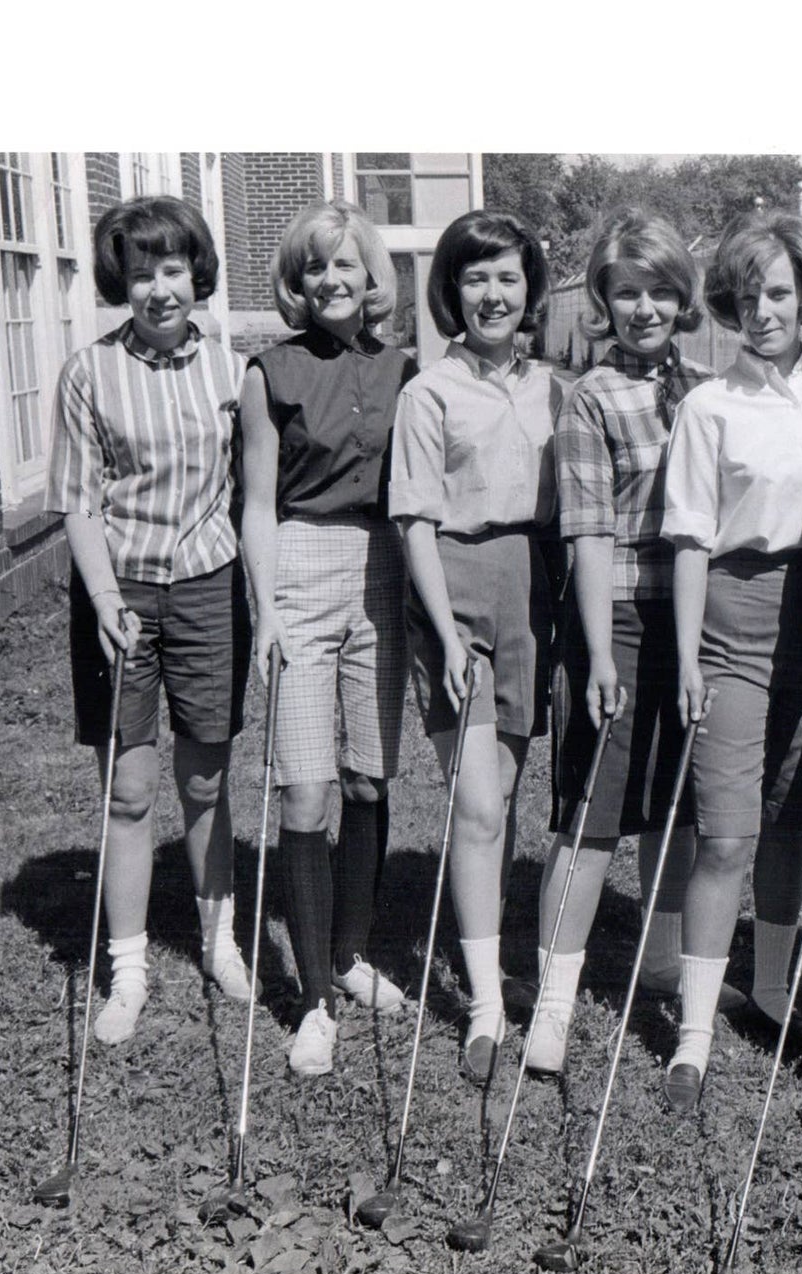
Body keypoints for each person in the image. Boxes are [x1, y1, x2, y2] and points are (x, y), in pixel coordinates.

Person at [525, 207, 740, 1076]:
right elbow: (584, 531)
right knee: (591, 819)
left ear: (683, 297)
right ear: (602, 302)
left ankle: (659, 961)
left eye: (659, 290)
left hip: (694, 623)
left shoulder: (708, 389)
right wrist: (600, 655)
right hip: (612, 616)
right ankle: (551, 1001)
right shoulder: (591, 396)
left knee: (676, 806)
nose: (644, 307)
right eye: (625, 292)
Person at [659, 211, 802, 1111]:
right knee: (728, 831)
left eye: (778, 292)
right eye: (746, 297)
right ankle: (694, 1035)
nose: (763, 311)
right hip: (731, 623)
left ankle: (774, 991)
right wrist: (688, 658)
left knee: (787, 822)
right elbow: (692, 540)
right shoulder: (708, 404)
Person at [45, 196, 253, 1046]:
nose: (159, 289)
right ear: (120, 282)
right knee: (128, 788)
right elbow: (78, 502)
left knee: (204, 779)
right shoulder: (87, 373)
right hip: (119, 591)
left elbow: (258, 491)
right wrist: (103, 603)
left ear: (195, 273)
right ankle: (127, 968)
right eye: (141, 273)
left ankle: (218, 940)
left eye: (173, 270)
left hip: (207, 583)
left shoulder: (237, 372)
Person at [240, 200, 414, 1078]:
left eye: (346, 264)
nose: (331, 280)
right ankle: (310, 999)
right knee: (305, 794)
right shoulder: (269, 372)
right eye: (314, 267)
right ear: (296, 282)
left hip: (383, 567)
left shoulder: (404, 369)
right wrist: (265, 606)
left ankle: (349, 955)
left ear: (371, 276)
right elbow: (257, 504)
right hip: (301, 564)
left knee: (368, 775)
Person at [389, 209, 562, 1085]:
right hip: (454, 591)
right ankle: (487, 1006)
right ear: (450, 292)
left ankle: (492, 959)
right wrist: (447, 632)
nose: (492, 293)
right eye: (474, 278)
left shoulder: (555, 387)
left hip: (531, 586)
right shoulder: (428, 392)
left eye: (506, 276)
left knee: (510, 793)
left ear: (529, 286)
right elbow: (415, 521)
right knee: (479, 805)